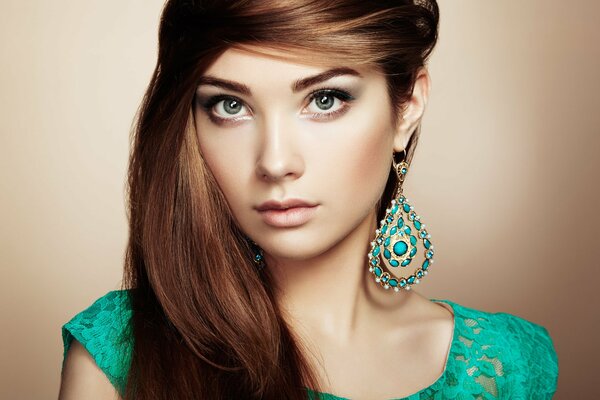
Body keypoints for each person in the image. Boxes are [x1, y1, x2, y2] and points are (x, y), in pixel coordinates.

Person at [57, 1, 559, 399]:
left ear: (406, 107)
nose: (275, 162)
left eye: (324, 99)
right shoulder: (123, 350)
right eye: (230, 106)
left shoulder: (506, 366)